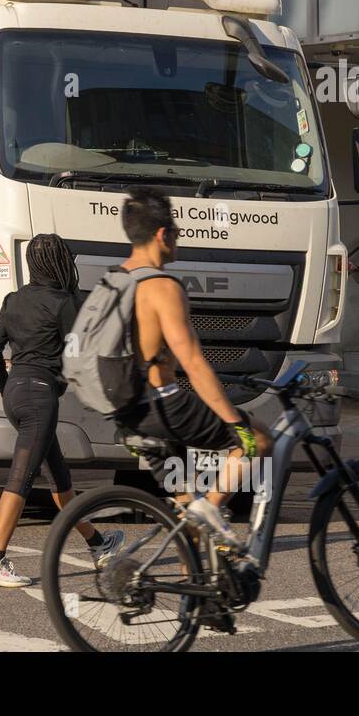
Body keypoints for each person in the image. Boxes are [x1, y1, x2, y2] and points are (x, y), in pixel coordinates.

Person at [116, 187, 273, 547]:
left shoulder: (115, 279)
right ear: (162, 234)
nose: (177, 239)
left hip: (126, 410)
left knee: (187, 511)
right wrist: (234, 420)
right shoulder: (162, 286)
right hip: (163, 403)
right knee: (259, 439)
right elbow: (194, 363)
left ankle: (193, 585)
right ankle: (212, 511)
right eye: (177, 232)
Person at [0, 233, 123, 588]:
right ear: (61, 262)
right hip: (40, 398)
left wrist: (6, 384)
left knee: (59, 480)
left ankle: (98, 544)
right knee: (21, 477)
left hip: (16, 395)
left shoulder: (13, 300)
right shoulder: (63, 303)